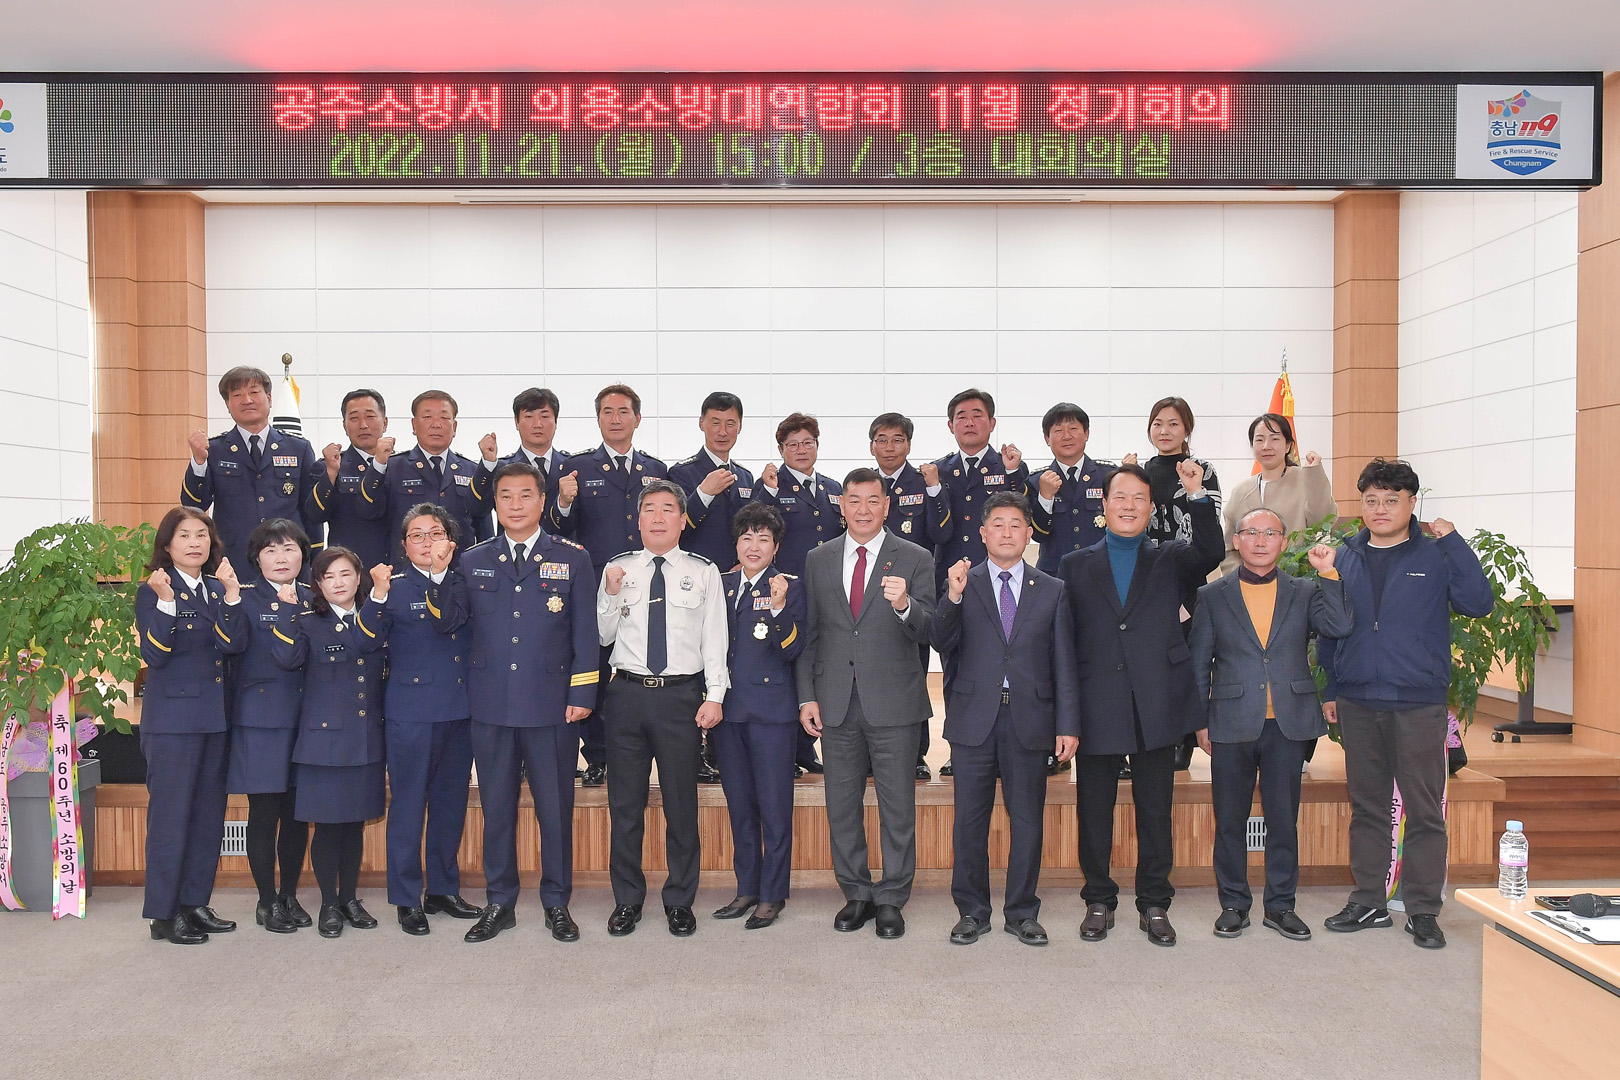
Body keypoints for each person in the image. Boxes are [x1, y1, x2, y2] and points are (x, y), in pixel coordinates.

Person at [1319, 458, 1493, 949]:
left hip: (1418, 702)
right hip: (1357, 699)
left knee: (1423, 810)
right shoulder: (1345, 555)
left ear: (1411, 503)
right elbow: (1332, 625)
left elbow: (1478, 602)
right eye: (1371, 500)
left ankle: (1422, 909)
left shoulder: (1436, 553)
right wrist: (1331, 689)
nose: (1380, 509)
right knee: (1367, 807)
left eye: (1391, 500)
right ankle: (1369, 901)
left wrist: (1454, 541)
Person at [430, 461, 600, 944]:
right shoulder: (472, 559)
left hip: (552, 707)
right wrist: (439, 576)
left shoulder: (572, 558)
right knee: (497, 809)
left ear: (542, 502)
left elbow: (585, 633)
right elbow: (449, 623)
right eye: (506, 496)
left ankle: (556, 902)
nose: (516, 504)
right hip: (491, 707)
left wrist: (582, 692)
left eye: (526, 495)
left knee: (555, 810)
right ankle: (499, 902)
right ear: (495, 503)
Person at [1057, 461, 1222, 947]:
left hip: (1158, 701)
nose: (1129, 506)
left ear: (1151, 509)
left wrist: (1197, 496)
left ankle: (1154, 902)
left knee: (1155, 809)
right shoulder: (1075, 564)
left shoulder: (1170, 556)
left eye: (1139, 499)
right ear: (1104, 505)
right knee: (1095, 810)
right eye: (1120, 497)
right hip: (1098, 702)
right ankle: (1098, 900)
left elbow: (1211, 551)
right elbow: (1066, 640)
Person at [1189, 508, 1352, 941]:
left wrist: (1329, 573)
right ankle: (1233, 904)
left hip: (1288, 722)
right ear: (1237, 540)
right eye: (1251, 532)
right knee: (1229, 820)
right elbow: (1198, 664)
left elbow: (1339, 625)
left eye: (1270, 533)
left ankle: (1281, 906)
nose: (1260, 541)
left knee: (1283, 820)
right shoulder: (1212, 595)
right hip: (1230, 721)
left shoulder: (1304, 590)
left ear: (1283, 541)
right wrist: (1199, 722)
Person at [932, 492, 1079, 947]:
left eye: (1016, 524)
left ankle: (1022, 912)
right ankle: (972, 912)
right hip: (973, 719)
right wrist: (953, 596)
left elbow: (1064, 662)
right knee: (969, 822)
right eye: (998, 524)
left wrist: (1068, 724)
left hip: (1030, 719)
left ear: (1029, 534)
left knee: (1028, 820)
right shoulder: (962, 581)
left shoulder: (1051, 588)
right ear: (983, 534)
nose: (1007, 532)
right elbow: (939, 640)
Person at [796, 468, 935, 940]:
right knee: (841, 806)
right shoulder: (818, 559)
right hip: (835, 701)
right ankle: (856, 891)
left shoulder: (914, 557)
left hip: (894, 702)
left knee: (898, 807)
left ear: (886, 506)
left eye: (873, 500)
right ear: (841, 505)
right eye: (854, 500)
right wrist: (806, 696)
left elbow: (931, 629)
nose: (863, 509)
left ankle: (892, 896)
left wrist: (905, 606)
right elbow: (811, 633)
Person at [596, 480, 729, 938]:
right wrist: (610, 594)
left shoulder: (704, 571)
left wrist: (715, 695)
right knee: (625, 805)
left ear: (682, 519)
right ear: (637, 519)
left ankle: (679, 899)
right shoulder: (617, 568)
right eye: (649, 508)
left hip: (680, 698)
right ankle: (627, 899)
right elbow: (602, 635)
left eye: (668, 508)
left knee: (680, 803)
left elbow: (715, 638)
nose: (657, 517)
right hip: (627, 695)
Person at [548, 383, 669, 788]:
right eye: (607, 412)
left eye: (623, 412)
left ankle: (644, 752)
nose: (615, 419)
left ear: (638, 418)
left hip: (648, 584)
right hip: (596, 587)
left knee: (641, 669)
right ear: (597, 418)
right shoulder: (577, 467)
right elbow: (558, 528)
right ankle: (597, 755)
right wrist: (564, 501)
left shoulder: (656, 469)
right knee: (596, 669)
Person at [136, 507, 246, 944]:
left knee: (207, 818)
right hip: (173, 724)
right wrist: (166, 602)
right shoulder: (153, 591)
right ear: (167, 544)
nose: (195, 542)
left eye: (202, 534)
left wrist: (233, 595)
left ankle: (194, 903)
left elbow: (233, 645)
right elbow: (155, 655)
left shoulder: (217, 590)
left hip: (214, 720)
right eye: (184, 535)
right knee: (171, 819)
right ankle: (163, 914)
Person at [270, 546, 387, 939]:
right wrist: (287, 612)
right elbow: (286, 659)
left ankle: (350, 898)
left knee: (354, 824)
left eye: (345, 574)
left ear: (359, 578)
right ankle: (329, 904)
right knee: (328, 827)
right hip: (324, 743)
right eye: (328, 577)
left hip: (366, 737)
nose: (338, 583)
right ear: (317, 584)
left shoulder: (374, 614)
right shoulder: (308, 622)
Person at [376, 504, 480, 936]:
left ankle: (442, 889)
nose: (427, 542)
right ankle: (406, 898)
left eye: (435, 533)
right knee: (407, 807)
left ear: (450, 541)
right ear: (404, 546)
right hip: (411, 712)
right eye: (416, 535)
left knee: (450, 806)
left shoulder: (467, 582)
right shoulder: (392, 589)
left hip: (459, 708)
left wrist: (442, 577)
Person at [710, 503, 806, 930]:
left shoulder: (789, 586)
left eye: (763, 539)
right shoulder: (721, 584)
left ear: (776, 546)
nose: (754, 546)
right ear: (736, 543)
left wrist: (780, 608)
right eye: (747, 537)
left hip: (771, 714)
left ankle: (772, 894)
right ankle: (746, 887)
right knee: (740, 807)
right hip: (727, 712)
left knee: (774, 808)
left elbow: (794, 649)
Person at [926, 388, 1028, 778]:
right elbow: (936, 531)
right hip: (956, 584)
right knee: (956, 668)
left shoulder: (1010, 465)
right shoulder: (937, 471)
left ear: (992, 422)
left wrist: (1014, 472)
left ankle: (1011, 745)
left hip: (1003, 583)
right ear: (950, 425)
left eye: (977, 415)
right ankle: (961, 748)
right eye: (961, 416)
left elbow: (1024, 515)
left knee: (1007, 665)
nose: (969, 422)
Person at [228, 518, 314, 934]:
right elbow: (231, 647)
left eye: (290, 548)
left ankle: (289, 896)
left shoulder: (316, 596)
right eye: (271, 550)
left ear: (303, 555)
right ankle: (266, 900)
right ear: (256, 558)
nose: (281, 557)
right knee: (264, 813)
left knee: (297, 814)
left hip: (307, 721)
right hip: (261, 722)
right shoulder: (244, 599)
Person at [669, 390, 756, 785]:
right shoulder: (683, 474)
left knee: (728, 661)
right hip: (692, 586)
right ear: (702, 423)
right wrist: (703, 492)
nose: (723, 431)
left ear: (740, 427)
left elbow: (750, 529)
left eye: (730, 423)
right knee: (695, 664)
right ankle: (694, 751)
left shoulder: (746, 477)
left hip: (736, 586)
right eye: (715, 422)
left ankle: (723, 749)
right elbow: (676, 528)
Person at [1028, 401, 1114, 775]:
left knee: (1105, 665)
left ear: (1087, 433)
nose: (1066, 435)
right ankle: (1054, 749)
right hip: (1053, 584)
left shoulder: (1108, 476)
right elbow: (1037, 533)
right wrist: (1045, 497)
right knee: (1051, 665)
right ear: (1047, 438)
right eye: (1058, 430)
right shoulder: (1036, 480)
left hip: (1102, 585)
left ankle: (1111, 749)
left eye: (1074, 428)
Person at [755, 412, 842, 775]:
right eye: (792, 444)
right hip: (789, 593)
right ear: (781, 450)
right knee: (788, 667)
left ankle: (809, 748)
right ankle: (788, 749)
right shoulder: (772, 487)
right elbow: (755, 524)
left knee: (822, 666)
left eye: (808, 442)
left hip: (830, 593)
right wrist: (769, 491)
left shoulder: (834, 488)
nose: (801, 450)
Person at [870, 411, 950, 780]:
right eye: (882, 440)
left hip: (914, 593)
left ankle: (917, 753)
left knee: (914, 672)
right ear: (872, 446)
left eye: (897, 439)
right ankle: (870, 752)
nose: (890, 447)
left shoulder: (925, 481)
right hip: (868, 592)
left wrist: (934, 489)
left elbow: (941, 533)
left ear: (909, 445)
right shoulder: (864, 484)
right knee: (870, 670)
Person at [181, 365, 323, 571]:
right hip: (233, 560)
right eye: (237, 395)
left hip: (287, 561)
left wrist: (315, 557)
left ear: (269, 399)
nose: (247, 400)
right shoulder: (215, 450)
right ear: (228, 405)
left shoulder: (298, 448)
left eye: (254, 392)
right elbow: (193, 505)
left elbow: (311, 511)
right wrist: (199, 462)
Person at [377, 390, 497, 567]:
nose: (436, 424)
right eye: (427, 417)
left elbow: (484, 528)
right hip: (408, 571)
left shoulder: (472, 470)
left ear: (454, 427)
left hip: (459, 571)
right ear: (414, 425)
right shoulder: (392, 467)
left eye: (444, 418)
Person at [1218, 413, 1335, 576]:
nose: (1266, 446)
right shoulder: (1241, 491)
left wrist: (1314, 474)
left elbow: (1322, 520)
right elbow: (1229, 547)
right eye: (1259, 440)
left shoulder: (1304, 480)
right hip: (1247, 583)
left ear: (1288, 446)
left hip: (1296, 580)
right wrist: (1239, 577)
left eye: (1274, 439)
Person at [1126, 395, 1222, 550]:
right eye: (1157, 424)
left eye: (1173, 424)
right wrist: (1126, 477)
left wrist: (1196, 492)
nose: (1164, 431)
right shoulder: (1139, 472)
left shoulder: (1201, 470)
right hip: (1145, 561)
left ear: (1187, 430)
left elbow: (1211, 524)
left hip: (1190, 560)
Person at [310, 389, 391, 570]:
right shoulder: (330, 466)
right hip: (352, 571)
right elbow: (315, 515)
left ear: (385, 423)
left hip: (398, 569)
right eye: (354, 418)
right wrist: (331, 474)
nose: (363, 425)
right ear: (345, 426)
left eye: (370, 416)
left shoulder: (401, 465)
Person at [497, 386, 568, 485]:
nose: (537, 424)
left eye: (544, 416)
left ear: (556, 422)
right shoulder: (501, 468)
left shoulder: (571, 465)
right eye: (529, 417)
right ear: (517, 422)